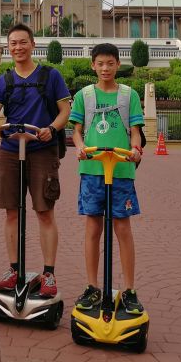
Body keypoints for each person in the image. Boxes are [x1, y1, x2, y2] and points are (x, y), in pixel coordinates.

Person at [0, 23, 71, 297]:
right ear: (8, 47)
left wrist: (51, 128)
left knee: (44, 211)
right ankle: (14, 268)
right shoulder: (4, 80)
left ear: (33, 44)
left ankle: (49, 273)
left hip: (42, 148)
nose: (18, 47)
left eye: (23, 42)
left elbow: (65, 110)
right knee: (11, 211)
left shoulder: (51, 76)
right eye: (13, 43)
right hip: (11, 149)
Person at [69, 43, 145, 314]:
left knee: (123, 228)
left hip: (122, 170)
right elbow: (76, 131)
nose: (105, 68)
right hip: (92, 170)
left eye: (110, 63)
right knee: (93, 228)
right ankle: (92, 287)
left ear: (117, 64)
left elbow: (135, 130)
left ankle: (129, 290)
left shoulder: (129, 95)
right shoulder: (84, 95)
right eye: (100, 63)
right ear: (92, 65)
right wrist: (79, 147)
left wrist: (135, 149)